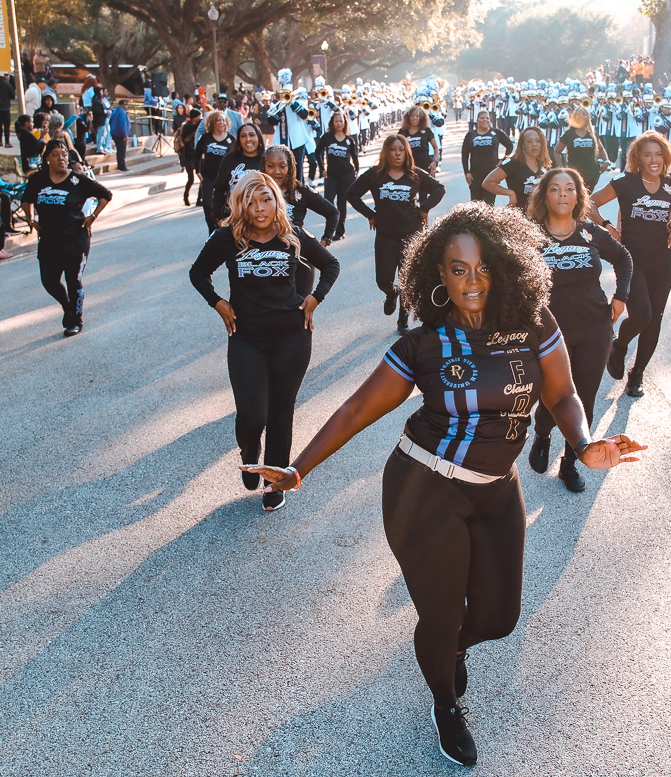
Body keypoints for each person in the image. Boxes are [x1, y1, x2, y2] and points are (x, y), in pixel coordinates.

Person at [241, 205, 645, 767]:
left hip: (496, 487)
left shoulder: (534, 321)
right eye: (458, 270)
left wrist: (582, 442)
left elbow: (563, 393)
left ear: (505, 266)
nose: (472, 281)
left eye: (483, 268)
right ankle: (446, 704)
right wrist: (298, 467)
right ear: (439, 274)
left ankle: (449, 649)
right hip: (424, 489)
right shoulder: (423, 345)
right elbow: (357, 409)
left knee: (499, 618)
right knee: (442, 614)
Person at [189, 171, 340, 505]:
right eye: (251, 201)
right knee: (252, 416)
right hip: (247, 339)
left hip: (292, 338)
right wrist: (218, 303)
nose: (259, 208)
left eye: (266, 199)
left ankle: (273, 486)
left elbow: (331, 265)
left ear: (276, 201)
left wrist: (315, 298)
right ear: (240, 205)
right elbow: (197, 273)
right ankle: (249, 451)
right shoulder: (228, 237)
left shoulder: (292, 235)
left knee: (281, 413)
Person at [526, 168, 632, 491]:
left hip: (594, 328)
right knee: (552, 393)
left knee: (584, 397)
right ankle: (542, 433)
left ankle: (570, 463)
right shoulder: (530, 234)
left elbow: (623, 258)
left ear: (578, 196)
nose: (562, 194)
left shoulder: (590, 232)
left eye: (569, 188)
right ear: (544, 196)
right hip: (548, 333)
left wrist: (621, 297)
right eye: (555, 189)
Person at [588, 132, 671, 397]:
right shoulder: (625, 182)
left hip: (663, 260)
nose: (654, 160)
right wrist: (607, 226)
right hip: (631, 259)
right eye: (647, 154)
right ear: (637, 158)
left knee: (654, 321)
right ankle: (619, 345)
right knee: (641, 316)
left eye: (658, 154)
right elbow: (589, 203)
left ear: (666, 157)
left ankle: (637, 374)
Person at [347, 135, 446, 332]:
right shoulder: (375, 174)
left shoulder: (414, 174)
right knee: (383, 280)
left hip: (412, 233)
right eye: (393, 149)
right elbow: (352, 194)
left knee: (407, 278)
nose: (397, 153)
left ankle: (403, 320)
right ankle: (392, 293)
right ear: (386, 152)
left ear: (406, 152)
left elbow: (439, 189)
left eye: (401, 149)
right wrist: (370, 215)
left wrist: (424, 208)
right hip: (386, 235)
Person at [21, 140, 113, 337]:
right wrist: (31, 220)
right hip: (49, 240)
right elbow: (26, 200)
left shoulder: (78, 180)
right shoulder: (38, 180)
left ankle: (76, 320)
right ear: (47, 159)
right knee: (49, 281)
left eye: (64, 155)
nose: (61, 159)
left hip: (76, 239)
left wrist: (92, 216)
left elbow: (105, 195)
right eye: (55, 155)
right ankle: (67, 306)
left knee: (73, 280)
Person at [262, 145, 338, 247]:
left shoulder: (301, 191)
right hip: (263, 254)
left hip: (295, 252)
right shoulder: (256, 192)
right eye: (271, 166)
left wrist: (325, 240)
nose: (277, 171)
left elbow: (333, 213)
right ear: (264, 166)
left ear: (290, 167)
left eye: (282, 166)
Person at [210, 123, 266, 228]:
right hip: (234, 219)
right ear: (239, 140)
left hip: (263, 218)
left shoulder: (267, 160)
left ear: (259, 137)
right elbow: (219, 190)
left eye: (252, 135)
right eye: (243, 136)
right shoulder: (229, 159)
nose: (248, 139)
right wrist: (218, 218)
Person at [315, 110, 359, 241]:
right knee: (328, 201)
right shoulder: (327, 137)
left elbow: (355, 156)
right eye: (336, 121)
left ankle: (340, 232)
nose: (339, 123)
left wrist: (356, 170)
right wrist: (322, 168)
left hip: (346, 175)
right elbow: (317, 152)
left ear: (345, 122)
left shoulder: (349, 140)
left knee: (341, 203)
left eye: (341, 121)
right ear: (332, 123)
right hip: (331, 175)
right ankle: (329, 230)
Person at [482, 125, 550, 208]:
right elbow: (487, 183)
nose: (534, 144)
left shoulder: (544, 164)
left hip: (540, 213)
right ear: (522, 144)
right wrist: (510, 193)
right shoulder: (513, 163)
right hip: (520, 213)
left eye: (538, 141)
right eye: (529, 141)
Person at [461, 110, 513, 204]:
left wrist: (503, 160)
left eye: (487, 118)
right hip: (475, 174)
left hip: (492, 174)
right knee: (475, 203)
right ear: (477, 120)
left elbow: (510, 145)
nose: (485, 120)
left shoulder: (496, 132)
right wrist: (467, 172)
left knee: (489, 203)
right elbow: (464, 154)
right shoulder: (470, 135)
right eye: (482, 118)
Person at [555, 106, 605, 197]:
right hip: (574, 173)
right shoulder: (569, 133)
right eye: (578, 114)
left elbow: (601, 149)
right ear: (575, 117)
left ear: (587, 117)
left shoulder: (592, 133)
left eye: (584, 114)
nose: (581, 116)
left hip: (591, 173)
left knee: (586, 197)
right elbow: (556, 151)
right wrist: (562, 168)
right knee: (577, 197)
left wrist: (606, 161)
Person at [194, 109, 233, 222]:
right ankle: (211, 227)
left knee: (225, 205)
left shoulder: (231, 139)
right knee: (207, 204)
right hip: (208, 176)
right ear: (213, 123)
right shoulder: (206, 138)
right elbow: (197, 155)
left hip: (225, 178)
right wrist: (197, 170)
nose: (221, 123)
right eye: (218, 120)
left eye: (223, 120)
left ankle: (222, 226)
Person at [399, 106, 439, 174]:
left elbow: (436, 148)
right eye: (412, 116)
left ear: (421, 118)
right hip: (409, 166)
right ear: (408, 117)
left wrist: (435, 162)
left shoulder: (426, 131)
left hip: (426, 166)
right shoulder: (402, 132)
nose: (414, 118)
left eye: (417, 116)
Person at [175, 107, 202, 206]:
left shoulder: (195, 126)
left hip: (195, 155)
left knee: (202, 178)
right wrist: (203, 119)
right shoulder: (187, 126)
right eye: (199, 117)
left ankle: (199, 199)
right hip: (188, 156)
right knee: (191, 179)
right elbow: (194, 127)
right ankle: (186, 196)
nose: (200, 119)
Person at [109, 98, 131, 172]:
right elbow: (122, 124)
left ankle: (120, 165)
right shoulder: (122, 113)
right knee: (121, 150)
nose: (126, 106)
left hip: (115, 133)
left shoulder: (115, 111)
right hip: (120, 134)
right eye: (126, 105)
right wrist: (124, 135)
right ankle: (122, 166)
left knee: (119, 150)